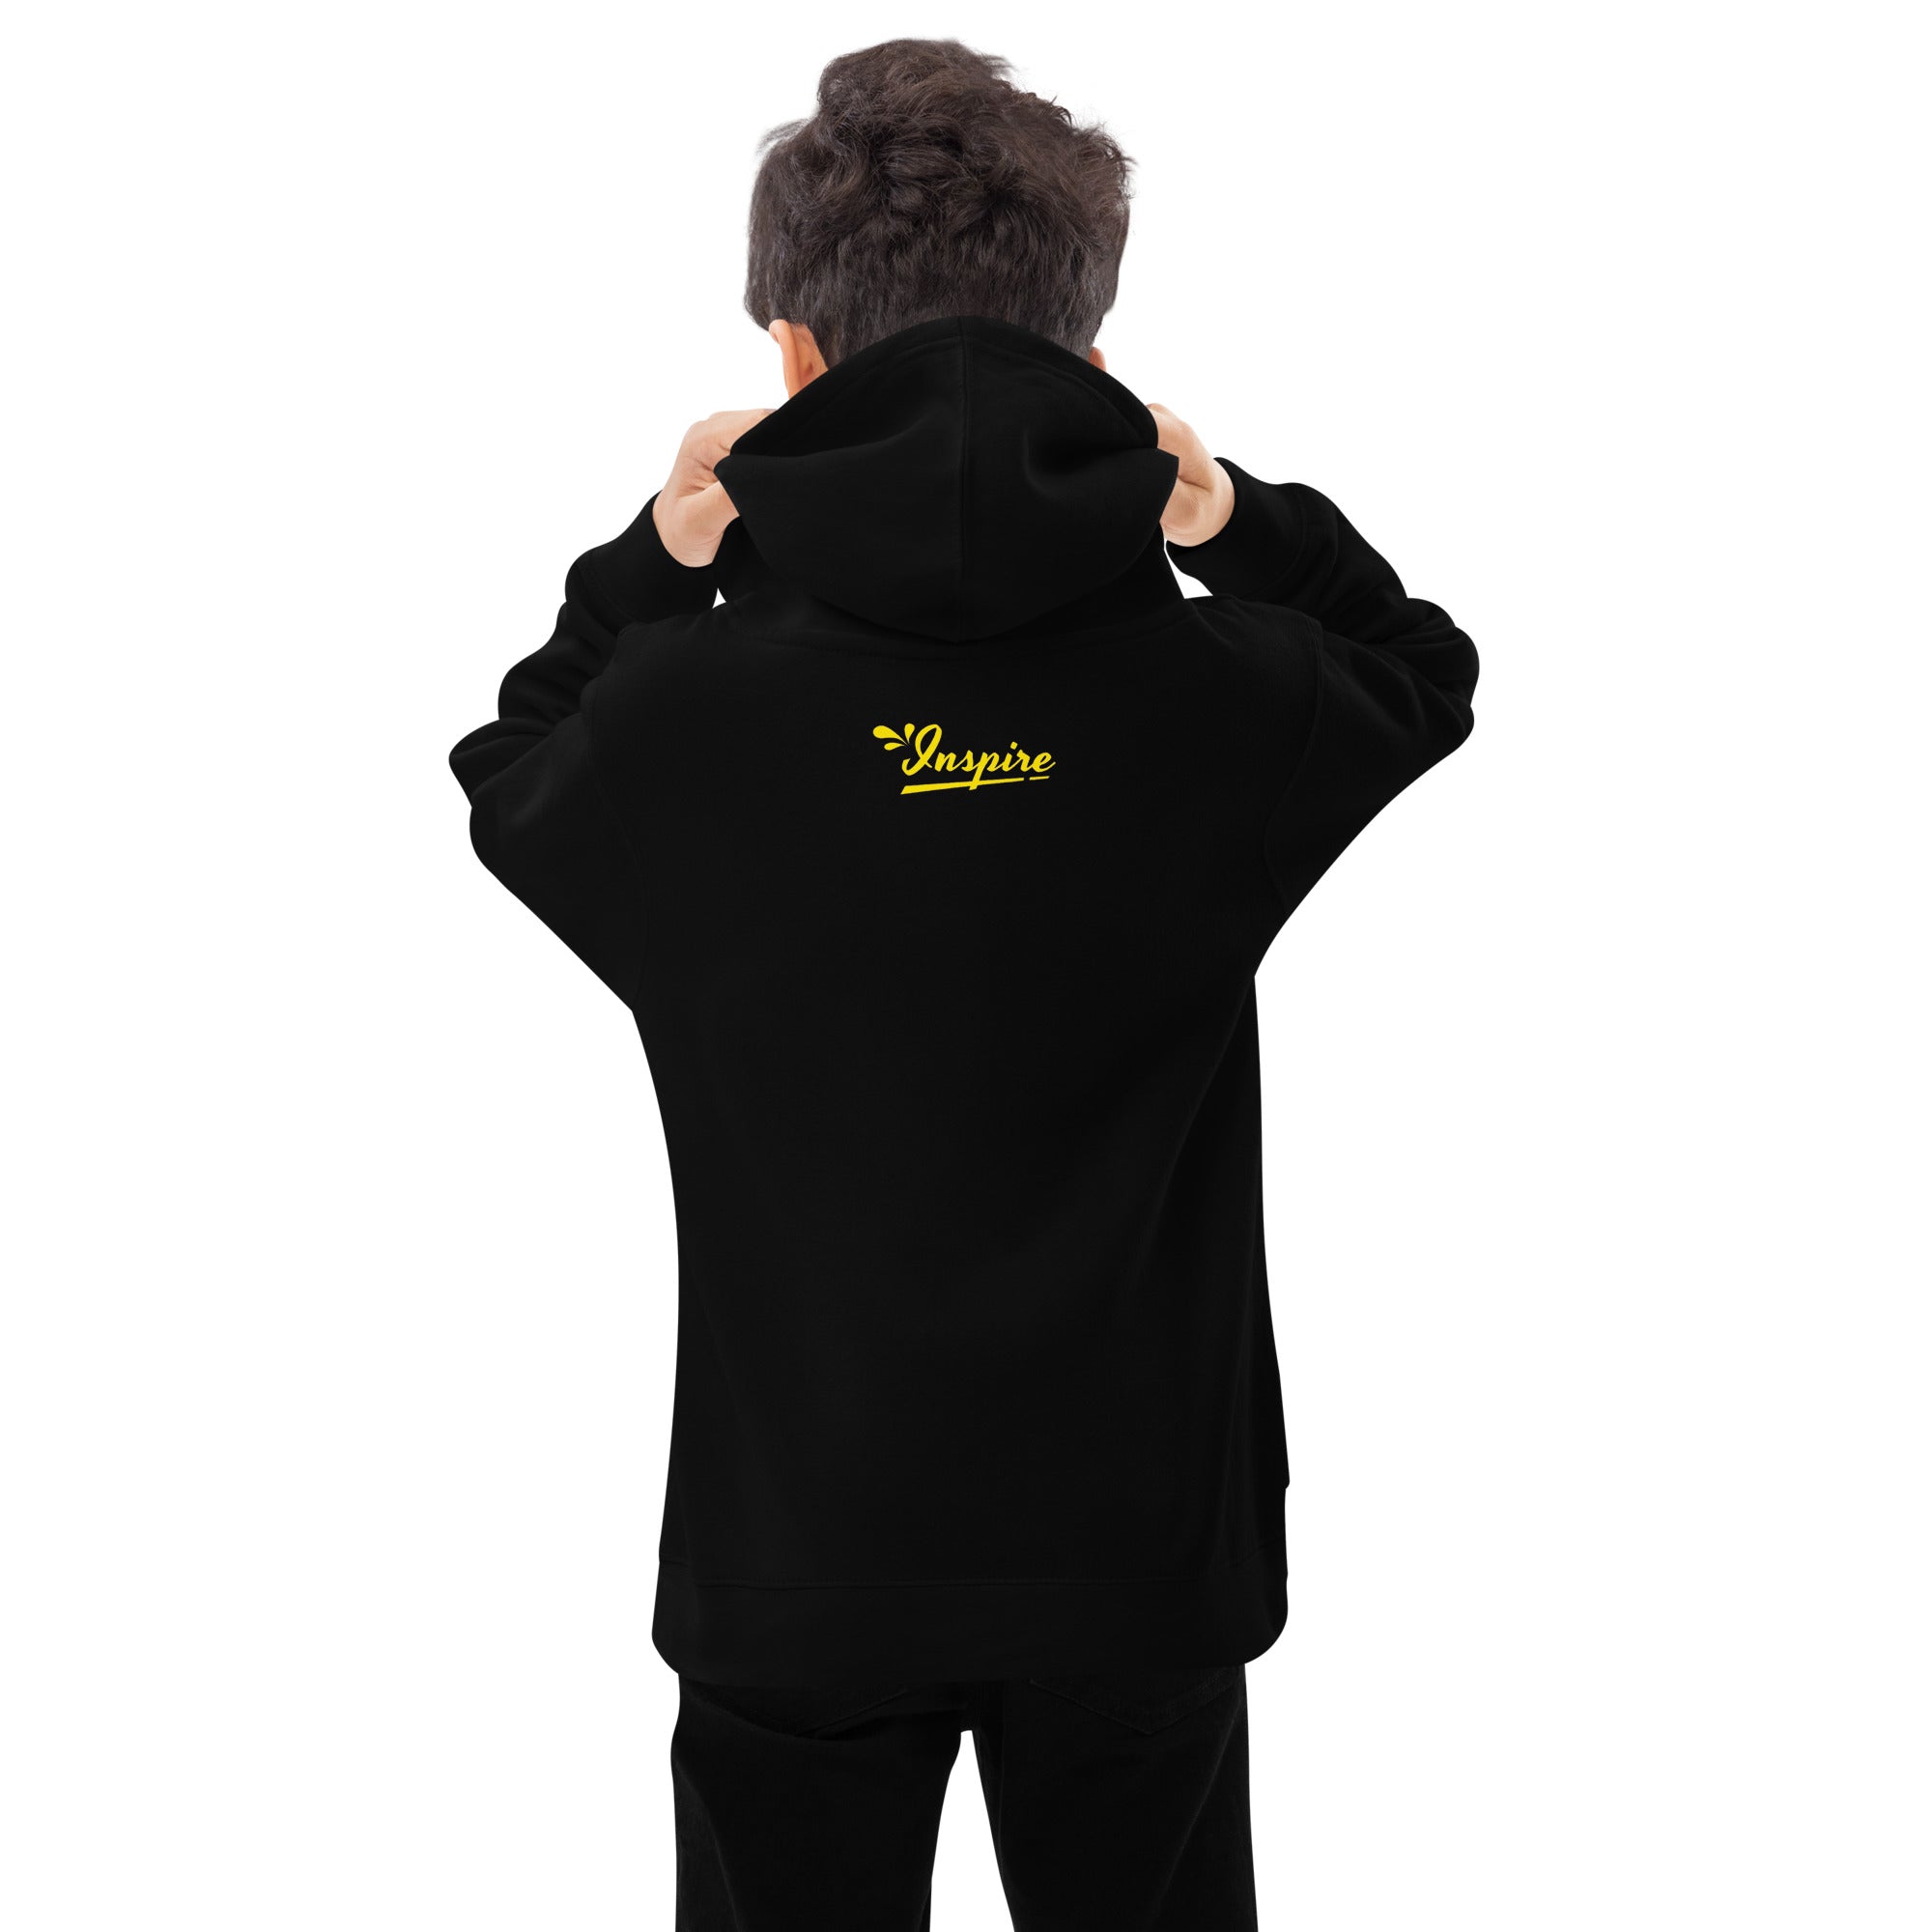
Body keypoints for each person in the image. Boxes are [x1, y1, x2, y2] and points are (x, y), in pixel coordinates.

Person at [448, 35, 1478, 1931]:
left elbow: (509, 768)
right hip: (1139, 1555)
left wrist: (654, 563)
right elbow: (1422, 668)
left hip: (796, 1554)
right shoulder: (1223, 697)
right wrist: (1226, 516)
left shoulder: (680, 720)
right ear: (1092, 353)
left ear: (790, 361)